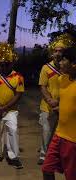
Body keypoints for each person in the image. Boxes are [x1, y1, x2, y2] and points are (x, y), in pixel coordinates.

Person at [37, 33, 75, 165]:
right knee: (46, 132)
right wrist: (50, 100)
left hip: (65, 107)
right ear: (52, 52)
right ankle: (43, 155)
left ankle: (57, 157)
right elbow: (42, 86)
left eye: (61, 51)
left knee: (60, 135)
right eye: (56, 51)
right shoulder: (46, 68)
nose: (58, 53)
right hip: (48, 106)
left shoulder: (68, 69)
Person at [0, 43, 24, 169]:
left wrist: (4, 108)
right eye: (1, 64)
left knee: (12, 131)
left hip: (11, 111)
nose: (3, 66)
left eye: (6, 64)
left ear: (11, 63)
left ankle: (13, 157)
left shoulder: (18, 77)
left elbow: (18, 95)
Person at [42, 46, 76, 180]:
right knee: (47, 169)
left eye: (64, 60)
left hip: (73, 140)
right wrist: (57, 106)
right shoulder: (62, 79)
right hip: (59, 134)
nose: (60, 63)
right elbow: (63, 101)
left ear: (74, 64)